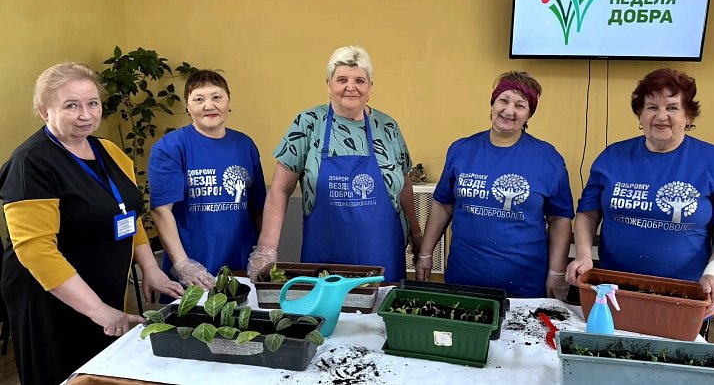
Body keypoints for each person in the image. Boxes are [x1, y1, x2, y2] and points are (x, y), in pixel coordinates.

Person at [0, 62, 184, 385]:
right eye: (71, 105)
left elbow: (128, 214)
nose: (86, 114)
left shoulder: (109, 151)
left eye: (92, 103)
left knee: (101, 373)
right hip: (50, 300)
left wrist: (150, 268)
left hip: (102, 289)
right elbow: (35, 251)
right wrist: (99, 310)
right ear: (44, 111)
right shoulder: (32, 162)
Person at [565, 68, 714, 322]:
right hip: (614, 291)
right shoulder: (612, 156)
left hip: (685, 295)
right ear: (640, 114)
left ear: (688, 115)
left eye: (672, 107)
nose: (661, 116)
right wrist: (583, 255)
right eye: (651, 107)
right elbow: (588, 213)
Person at [247, 45, 422, 283]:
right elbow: (280, 189)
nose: (351, 87)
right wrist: (266, 248)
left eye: (360, 80)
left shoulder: (388, 127)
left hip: (383, 253)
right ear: (329, 84)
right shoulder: (308, 123)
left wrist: (416, 233)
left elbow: (403, 184)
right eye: (342, 79)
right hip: (325, 253)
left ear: (370, 87)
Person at [415, 71, 574, 299]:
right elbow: (443, 205)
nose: (509, 111)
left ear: (529, 115)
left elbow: (560, 218)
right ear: (492, 105)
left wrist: (557, 272)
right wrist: (426, 254)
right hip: (464, 279)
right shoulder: (461, 150)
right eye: (504, 100)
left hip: (525, 285)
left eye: (520, 105)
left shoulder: (548, 159)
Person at [148, 70, 266, 290]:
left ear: (229, 101)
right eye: (199, 99)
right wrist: (183, 264)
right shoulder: (170, 147)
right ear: (187, 106)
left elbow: (258, 206)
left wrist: (264, 251)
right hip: (193, 268)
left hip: (240, 264)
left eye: (216, 97)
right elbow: (161, 211)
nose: (209, 105)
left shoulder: (245, 145)